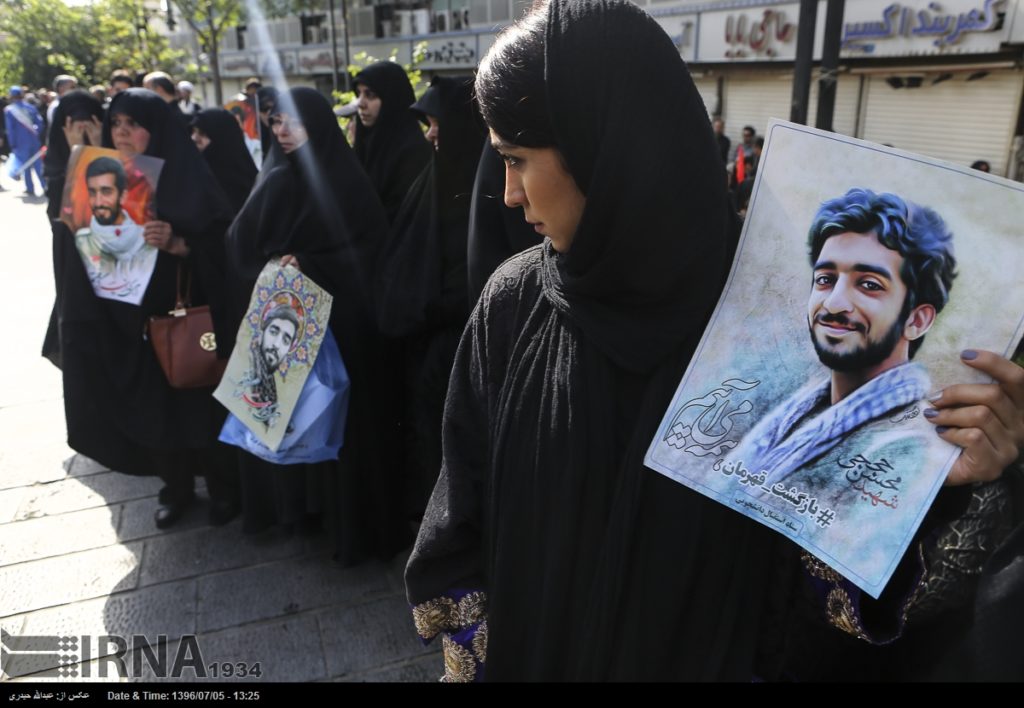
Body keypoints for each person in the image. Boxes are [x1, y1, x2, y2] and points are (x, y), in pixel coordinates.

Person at [404, 0, 1024, 682]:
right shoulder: (514, 305)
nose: (509, 194)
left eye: (517, 158)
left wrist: (936, 483)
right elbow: (461, 516)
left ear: (601, 146)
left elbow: (827, 586)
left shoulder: (777, 319)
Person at [224, 87, 412, 564]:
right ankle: (302, 514)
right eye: (276, 122)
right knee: (293, 417)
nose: (283, 132)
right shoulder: (277, 174)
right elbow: (242, 243)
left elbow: (371, 251)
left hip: (345, 328)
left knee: (342, 426)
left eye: (294, 122)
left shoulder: (344, 180)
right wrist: (275, 263)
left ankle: (349, 528)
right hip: (292, 323)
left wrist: (309, 262)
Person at [56, 88, 238, 529]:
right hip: (125, 316)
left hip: (182, 315)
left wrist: (179, 244)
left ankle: (223, 489)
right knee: (153, 407)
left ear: (155, 131)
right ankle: (174, 488)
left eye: (132, 124)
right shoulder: (95, 176)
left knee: (197, 403)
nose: (121, 132)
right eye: (115, 123)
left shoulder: (187, 177)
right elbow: (70, 235)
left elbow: (221, 248)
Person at [728, 188, 956, 486]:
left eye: (869, 285)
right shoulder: (796, 413)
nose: (834, 304)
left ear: (916, 319)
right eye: (825, 279)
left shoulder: (912, 446)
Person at [375, 75, 487, 516]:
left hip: (459, 346)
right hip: (423, 344)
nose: (431, 132)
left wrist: (430, 306)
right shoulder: (433, 177)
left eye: (439, 122)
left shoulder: (490, 188)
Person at [352, 61, 432, 224]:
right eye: (358, 94)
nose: (360, 103)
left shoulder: (413, 153)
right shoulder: (364, 145)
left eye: (370, 95)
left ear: (392, 99)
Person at [72, 156, 158, 304]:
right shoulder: (81, 241)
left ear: (123, 196)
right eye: (93, 192)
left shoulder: (147, 239)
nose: (98, 202)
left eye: (106, 192)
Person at [190, 108, 258, 213]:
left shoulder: (246, 187)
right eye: (194, 131)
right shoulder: (195, 175)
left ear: (222, 139)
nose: (194, 138)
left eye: (202, 133)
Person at [4, 85, 46, 195]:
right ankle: (45, 186)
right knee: (38, 164)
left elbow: (10, 130)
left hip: (20, 142)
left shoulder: (9, 110)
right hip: (34, 140)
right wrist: (36, 134)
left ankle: (30, 188)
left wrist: (12, 144)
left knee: (25, 166)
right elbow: (40, 124)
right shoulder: (31, 107)